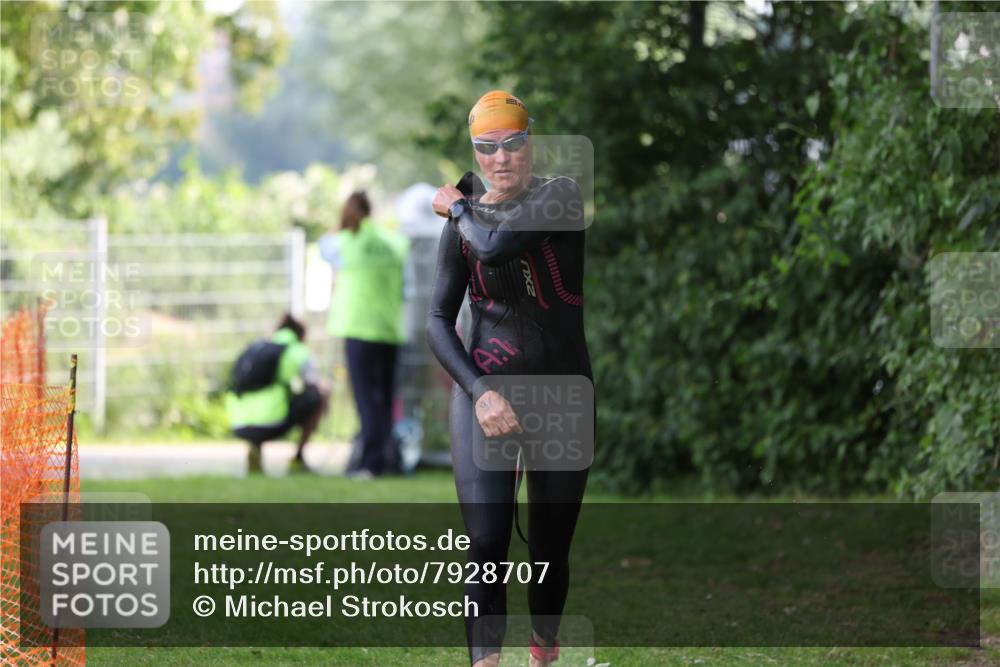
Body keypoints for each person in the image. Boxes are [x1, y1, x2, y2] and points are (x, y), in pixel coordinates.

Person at [427, 90, 592, 667]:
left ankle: (542, 656)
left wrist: (457, 209)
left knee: (549, 549)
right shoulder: (465, 216)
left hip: (562, 398)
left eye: (514, 143)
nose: (501, 158)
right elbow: (438, 319)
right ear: (475, 150)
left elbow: (494, 247)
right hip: (485, 396)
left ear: (531, 144)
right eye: (486, 147)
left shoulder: (560, 196)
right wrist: (479, 390)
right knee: (486, 544)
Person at [320, 191, 410, 479]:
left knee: (365, 399)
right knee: (384, 399)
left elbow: (324, 248)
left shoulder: (345, 242)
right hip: (389, 329)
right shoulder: (394, 243)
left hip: (359, 328)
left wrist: (341, 226)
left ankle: (370, 463)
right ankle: (383, 458)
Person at [225, 313, 329, 474]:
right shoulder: (298, 351)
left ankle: (255, 449)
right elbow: (316, 384)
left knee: (268, 397)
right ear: (301, 335)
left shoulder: (257, 348)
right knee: (319, 395)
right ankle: (298, 457)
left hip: (238, 423)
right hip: (273, 422)